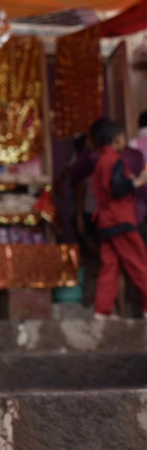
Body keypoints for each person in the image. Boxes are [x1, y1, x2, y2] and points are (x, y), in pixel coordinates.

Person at [89, 118, 147, 320]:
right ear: (116, 138)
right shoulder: (114, 160)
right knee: (139, 263)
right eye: (123, 136)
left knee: (111, 266)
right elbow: (118, 189)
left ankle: (102, 311)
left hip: (105, 220)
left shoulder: (100, 162)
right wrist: (139, 181)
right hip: (120, 219)